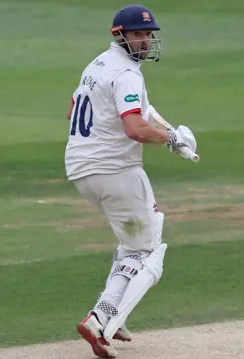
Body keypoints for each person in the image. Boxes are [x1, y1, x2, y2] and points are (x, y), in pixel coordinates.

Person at [63, 5, 197, 359]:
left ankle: (108, 313)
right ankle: (100, 324)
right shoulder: (126, 74)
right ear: (119, 35)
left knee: (132, 244)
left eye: (149, 34)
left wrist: (170, 132)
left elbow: (72, 109)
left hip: (82, 169)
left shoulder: (98, 64)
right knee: (150, 252)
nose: (146, 40)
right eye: (138, 34)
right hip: (115, 171)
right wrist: (171, 140)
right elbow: (134, 128)